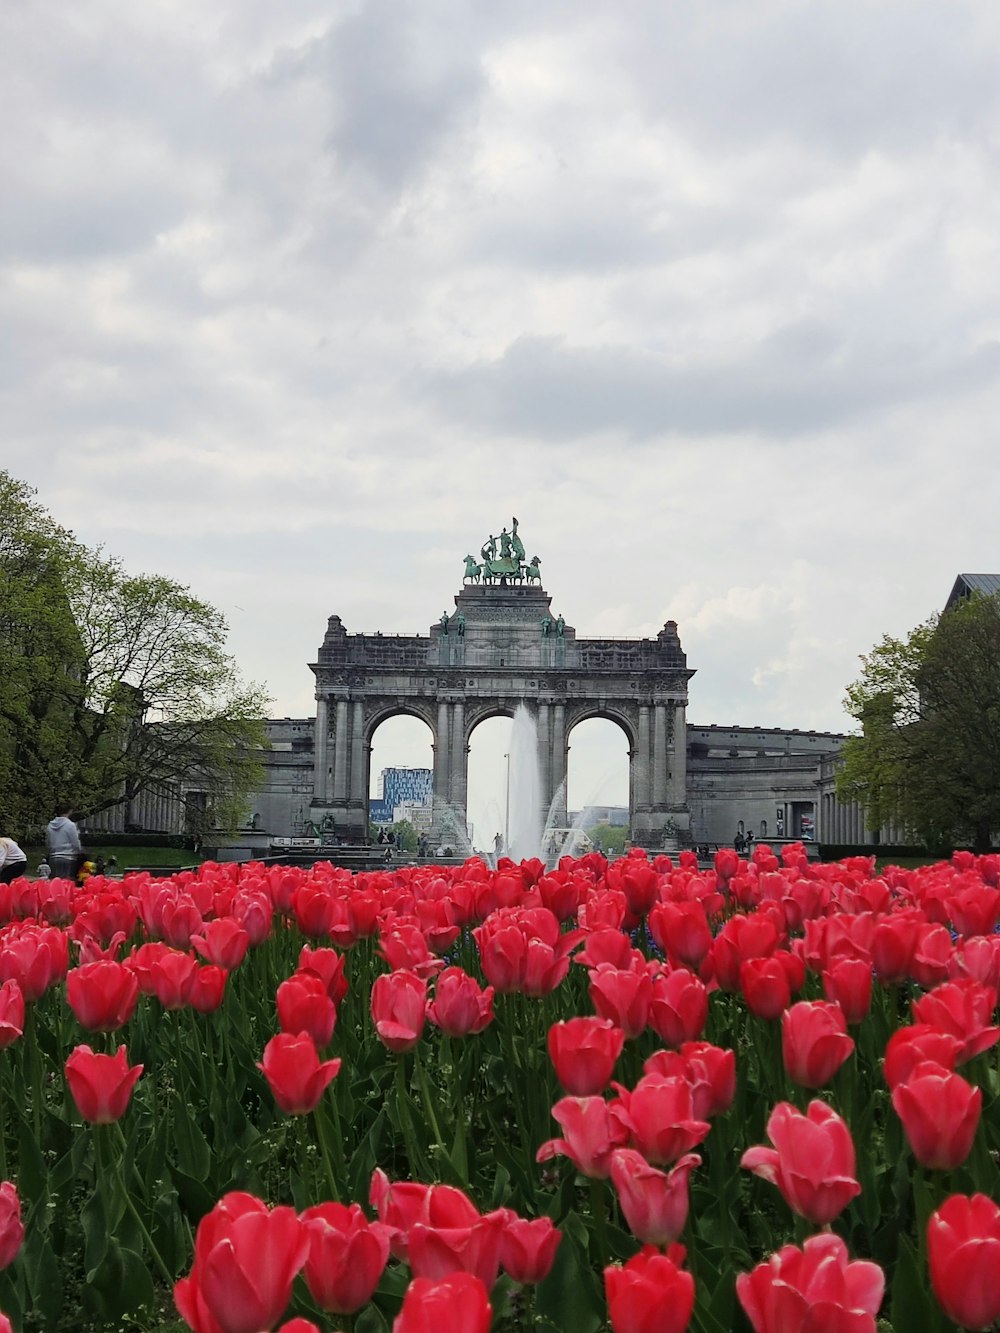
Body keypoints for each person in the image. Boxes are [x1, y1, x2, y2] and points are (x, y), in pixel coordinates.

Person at [46, 805, 83, 881]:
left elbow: (48, 842)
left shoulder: (50, 825)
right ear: (70, 811)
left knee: (55, 883)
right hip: (68, 857)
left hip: (53, 857)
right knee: (67, 883)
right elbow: (75, 843)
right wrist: (79, 851)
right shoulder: (70, 825)